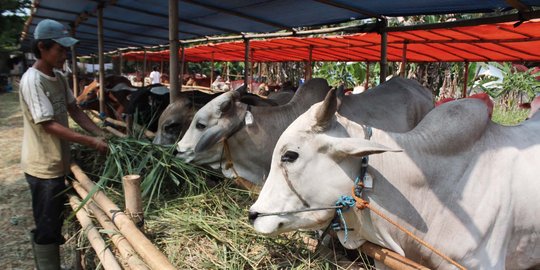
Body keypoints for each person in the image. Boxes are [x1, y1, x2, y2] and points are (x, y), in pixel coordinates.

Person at [19, 19, 108, 270]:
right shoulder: (32, 80)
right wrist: (89, 140)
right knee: (47, 225)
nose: (64, 55)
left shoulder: (58, 77)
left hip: (59, 160)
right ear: (42, 48)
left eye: (65, 50)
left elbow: (74, 110)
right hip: (42, 167)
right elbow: (48, 124)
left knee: (56, 219)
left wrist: (99, 132)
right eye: (60, 49)